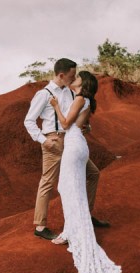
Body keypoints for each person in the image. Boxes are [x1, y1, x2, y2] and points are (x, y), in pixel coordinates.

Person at [49, 71, 122, 273]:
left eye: (78, 77)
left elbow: (67, 123)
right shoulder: (87, 100)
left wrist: (56, 106)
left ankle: (71, 233)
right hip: (80, 145)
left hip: (73, 145)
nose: (75, 78)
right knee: (70, 189)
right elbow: (82, 125)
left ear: (83, 83)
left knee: (68, 190)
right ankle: (71, 229)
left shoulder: (80, 98)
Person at [24, 58, 109, 241]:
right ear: (61, 75)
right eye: (71, 76)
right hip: (53, 142)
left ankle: (84, 215)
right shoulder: (44, 94)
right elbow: (29, 121)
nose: (73, 79)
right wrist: (42, 140)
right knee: (48, 182)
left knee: (93, 174)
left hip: (71, 141)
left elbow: (75, 116)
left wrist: (85, 127)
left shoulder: (72, 93)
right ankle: (40, 226)